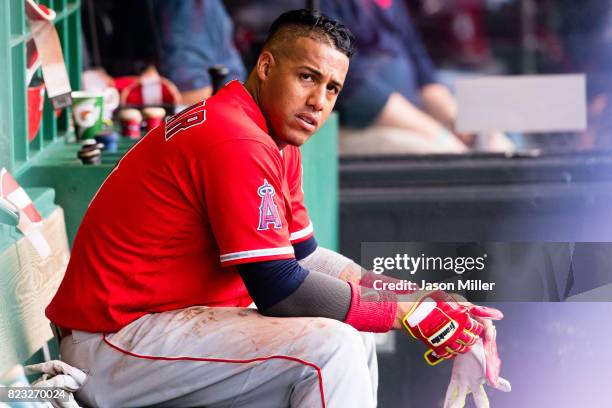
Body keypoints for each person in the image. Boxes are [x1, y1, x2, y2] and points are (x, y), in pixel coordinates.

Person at [46, 9, 500, 407]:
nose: (318, 101)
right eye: (307, 77)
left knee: (352, 334)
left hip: (165, 330)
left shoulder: (273, 137)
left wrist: (416, 296)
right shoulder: (236, 139)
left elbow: (304, 257)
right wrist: (404, 313)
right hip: (114, 345)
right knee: (332, 348)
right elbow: (279, 288)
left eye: (332, 88)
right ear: (266, 66)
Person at [320, 0, 512, 155]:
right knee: (445, 155)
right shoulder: (320, 4)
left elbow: (424, 76)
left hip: (411, 120)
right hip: (352, 127)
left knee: (496, 145)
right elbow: (354, 86)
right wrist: (439, 135)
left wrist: (458, 124)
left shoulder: (391, 5)